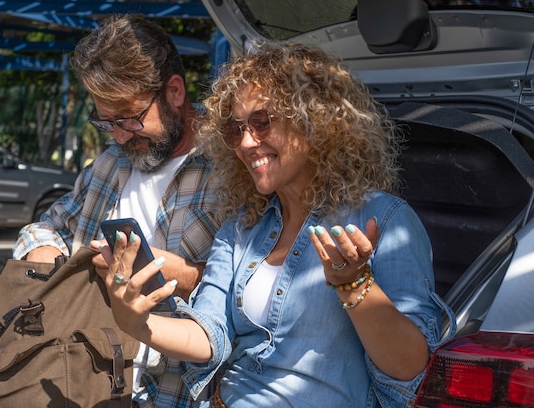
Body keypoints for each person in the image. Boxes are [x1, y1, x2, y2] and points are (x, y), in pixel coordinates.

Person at [94, 42, 456, 408]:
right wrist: (136, 323)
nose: (247, 143)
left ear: (315, 121)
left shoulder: (384, 220)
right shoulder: (241, 228)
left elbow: (410, 368)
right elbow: (208, 335)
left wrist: (355, 285)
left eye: (262, 122)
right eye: (236, 130)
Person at [12, 14, 222, 407]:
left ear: (174, 91)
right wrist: (46, 253)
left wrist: (180, 275)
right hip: (88, 383)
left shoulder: (231, 169)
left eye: (130, 118)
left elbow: (260, 293)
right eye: (107, 122)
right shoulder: (111, 163)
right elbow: (45, 227)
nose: (121, 134)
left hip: (180, 392)